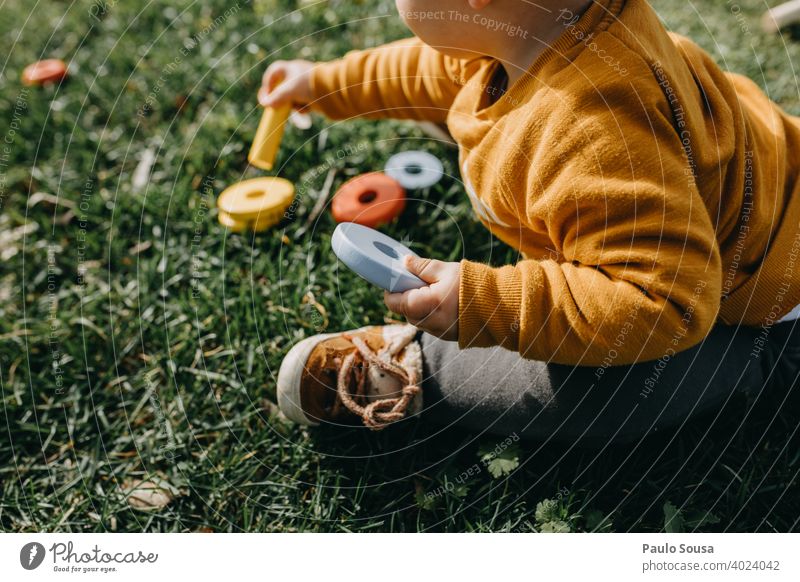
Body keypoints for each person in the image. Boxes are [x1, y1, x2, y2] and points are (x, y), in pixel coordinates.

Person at [267, 0, 800, 442]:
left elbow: (664, 303)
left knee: (618, 387)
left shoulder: (594, 132)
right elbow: (431, 67)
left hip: (767, 312)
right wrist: (324, 82)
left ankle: (427, 370)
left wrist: (485, 305)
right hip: (744, 200)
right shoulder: (524, 31)